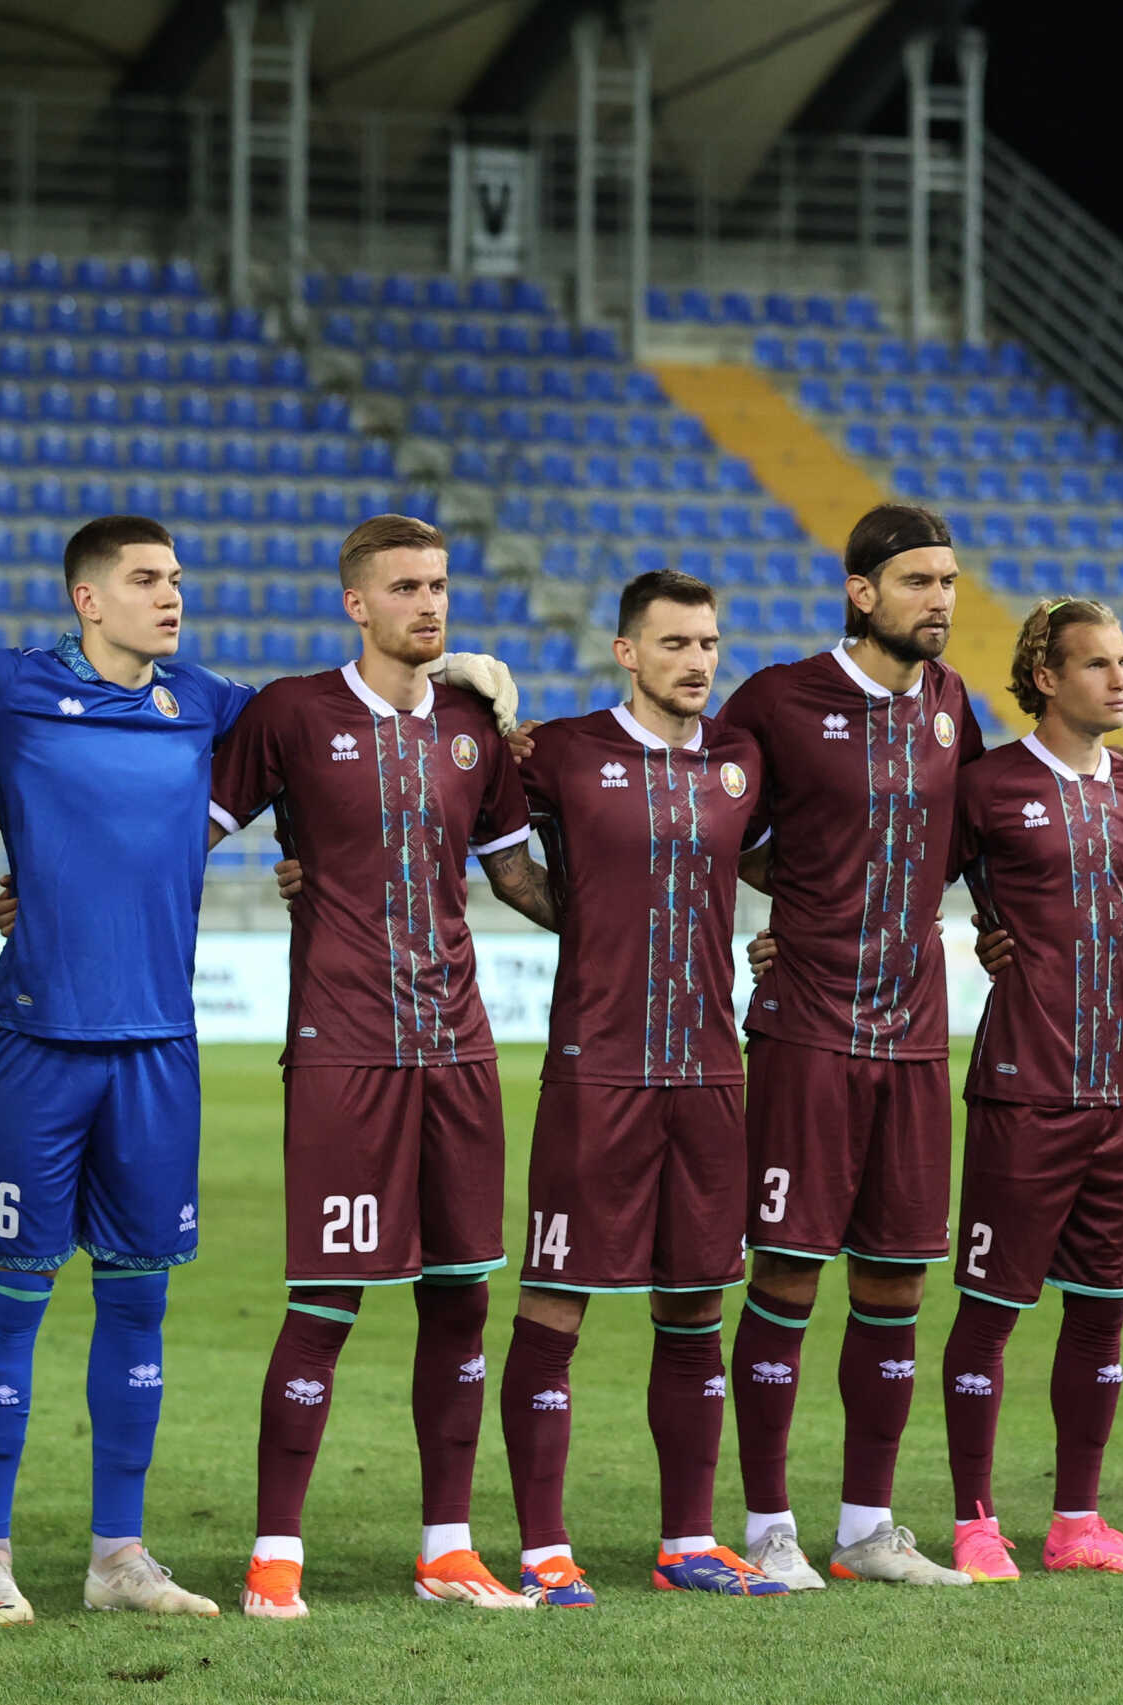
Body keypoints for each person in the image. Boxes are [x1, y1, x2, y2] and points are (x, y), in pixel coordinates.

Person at [0, 513, 521, 1622]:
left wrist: (465, 671)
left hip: (160, 1047)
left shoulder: (216, 703)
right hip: (35, 1039)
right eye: (147, 579)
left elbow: (332, 739)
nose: (173, 595)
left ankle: (119, 1555)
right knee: (12, 1297)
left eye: (177, 576)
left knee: (139, 1302)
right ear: (88, 599)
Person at [208, 515, 543, 1617]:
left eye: (440, 584)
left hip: (459, 1046)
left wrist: (645, 926)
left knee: (460, 1300)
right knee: (328, 1296)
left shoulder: (472, 722)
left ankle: (447, 1548)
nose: (429, 604)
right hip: (346, 1049)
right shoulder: (292, 713)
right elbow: (183, 833)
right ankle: (275, 1555)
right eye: (406, 587)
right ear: (357, 604)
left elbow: (521, 882)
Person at [493, 570, 788, 1602]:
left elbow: (781, 866)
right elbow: (472, 827)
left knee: (695, 1306)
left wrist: (790, 932)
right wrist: (581, 928)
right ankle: (541, 1548)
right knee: (556, 1302)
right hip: (598, 1068)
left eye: (707, 642)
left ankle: (689, 1543)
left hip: (710, 1071)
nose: (696, 661)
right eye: (673, 644)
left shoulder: (739, 762)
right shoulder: (565, 753)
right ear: (626, 652)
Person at [711, 503, 983, 1589]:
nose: (942, 601)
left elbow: (979, 833)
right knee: (785, 1272)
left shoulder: (955, 705)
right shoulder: (778, 698)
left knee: (896, 1282)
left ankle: (867, 1528)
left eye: (951, 582)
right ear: (862, 591)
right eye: (919, 581)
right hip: (808, 1032)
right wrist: (807, 912)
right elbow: (701, 814)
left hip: (916, 1038)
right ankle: (770, 1525)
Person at [936, 599, 1123, 1581]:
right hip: (1020, 1088)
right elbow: (904, 888)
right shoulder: (984, 787)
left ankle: (1078, 1521)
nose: (1118, 680)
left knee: (1101, 1309)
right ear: (1045, 676)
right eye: (1096, 665)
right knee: (991, 1311)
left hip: (1119, 1089)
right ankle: (973, 1520)